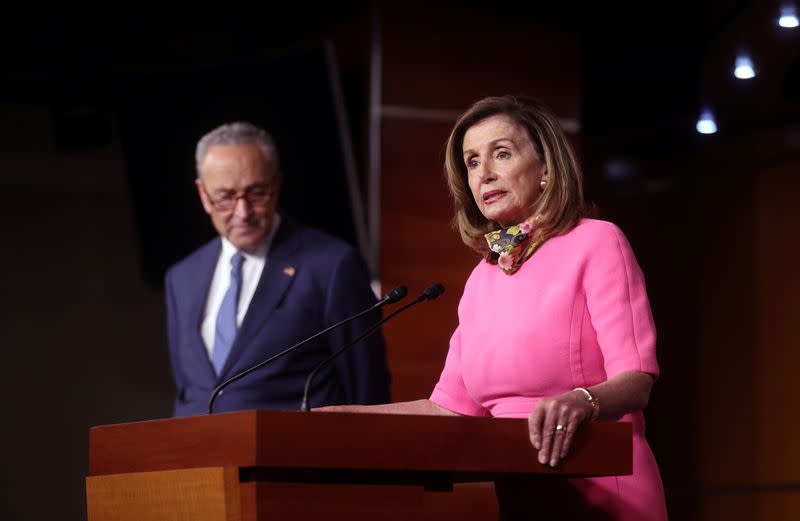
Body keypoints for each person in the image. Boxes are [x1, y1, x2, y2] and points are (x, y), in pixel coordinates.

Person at [319, 96, 668, 520]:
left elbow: (636, 381)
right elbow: (448, 410)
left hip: (606, 492)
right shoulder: (483, 277)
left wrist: (582, 401)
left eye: (501, 153)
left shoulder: (596, 242)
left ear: (545, 167)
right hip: (524, 497)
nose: (484, 172)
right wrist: (338, 418)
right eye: (471, 162)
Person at [164, 121, 391, 417]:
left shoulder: (331, 266)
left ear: (276, 184)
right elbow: (191, 390)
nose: (242, 213)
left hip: (291, 457)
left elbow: (367, 393)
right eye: (226, 197)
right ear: (203, 195)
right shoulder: (181, 278)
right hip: (199, 459)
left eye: (256, 193)